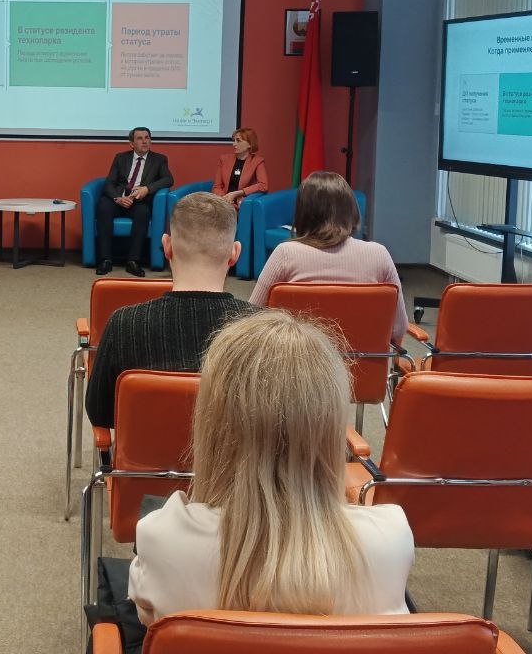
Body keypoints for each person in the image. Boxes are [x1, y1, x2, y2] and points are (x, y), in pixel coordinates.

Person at [129, 310, 414, 625]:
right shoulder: (390, 540)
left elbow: (147, 621)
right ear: (331, 429)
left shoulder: (163, 539)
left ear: (212, 425)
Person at [86, 192, 251, 429]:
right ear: (235, 253)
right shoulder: (263, 329)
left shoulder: (124, 324)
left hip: (143, 453)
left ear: (167, 246)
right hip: (232, 455)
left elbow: (99, 414)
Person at [249, 170, 407, 345]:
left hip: (299, 360)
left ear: (303, 213)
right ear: (351, 210)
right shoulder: (379, 254)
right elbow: (399, 328)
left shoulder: (285, 253)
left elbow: (251, 319)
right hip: (362, 362)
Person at [96, 126, 173, 277]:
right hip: (119, 199)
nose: (144, 141)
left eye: (147, 138)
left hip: (138, 201)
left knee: (143, 212)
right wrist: (118, 198)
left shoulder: (159, 160)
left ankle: (133, 261)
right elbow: (109, 182)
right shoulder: (120, 158)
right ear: (131, 143)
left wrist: (147, 189)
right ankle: (105, 260)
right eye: (140, 138)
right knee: (103, 207)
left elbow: (168, 179)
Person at [212, 127, 269, 207]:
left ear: (250, 144)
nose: (234, 144)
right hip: (223, 202)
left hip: (242, 204)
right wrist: (224, 199)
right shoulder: (224, 159)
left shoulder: (257, 161)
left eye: (238, 141)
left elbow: (263, 186)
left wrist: (237, 193)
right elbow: (217, 187)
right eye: (234, 140)